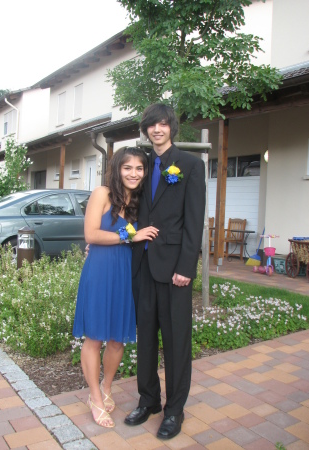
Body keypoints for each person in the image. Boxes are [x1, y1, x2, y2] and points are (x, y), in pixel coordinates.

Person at [124, 104, 206, 439]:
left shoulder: (190, 165)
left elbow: (194, 220)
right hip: (142, 264)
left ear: (171, 126)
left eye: (162, 123)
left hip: (174, 270)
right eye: (151, 125)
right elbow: (125, 208)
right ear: (145, 129)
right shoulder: (140, 165)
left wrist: (187, 266)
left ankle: (174, 411)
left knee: (175, 343)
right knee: (145, 339)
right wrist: (109, 237)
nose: (157, 129)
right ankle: (149, 400)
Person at [73, 147, 158, 428]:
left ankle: (107, 386)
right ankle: (95, 396)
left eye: (139, 168)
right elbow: (91, 234)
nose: (133, 173)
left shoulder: (140, 200)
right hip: (100, 270)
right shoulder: (102, 194)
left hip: (125, 272)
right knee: (95, 336)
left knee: (118, 338)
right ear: (116, 169)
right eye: (127, 167)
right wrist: (130, 234)